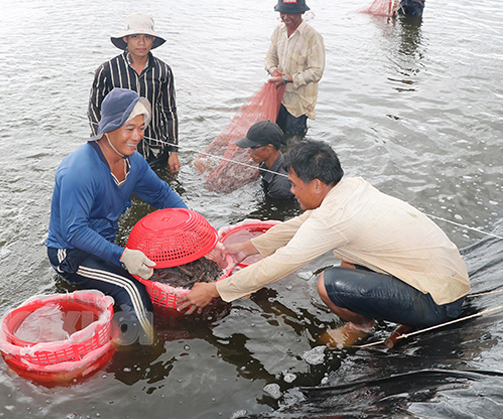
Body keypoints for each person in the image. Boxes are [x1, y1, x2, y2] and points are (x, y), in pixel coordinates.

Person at [178, 140, 470, 347]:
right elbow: (304, 223)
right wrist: (250, 247)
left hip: (440, 303)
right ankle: (393, 314)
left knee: (328, 282)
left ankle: (362, 326)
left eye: (295, 185)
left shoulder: (334, 218)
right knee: (348, 261)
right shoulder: (351, 189)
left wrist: (215, 290)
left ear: (317, 184)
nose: (291, 191)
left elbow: (282, 264)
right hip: (450, 281)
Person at [48, 88, 187, 343]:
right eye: (129, 128)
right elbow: (74, 231)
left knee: (158, 270)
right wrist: (123, 255)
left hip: (106, 242)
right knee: (130, 288)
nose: (137, 137)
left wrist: (194, 227)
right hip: (70, 252)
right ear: (109, 127)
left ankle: (124, 334)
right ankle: (143, 351)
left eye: (142, 128)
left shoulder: (133, 162)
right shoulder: (79, 171)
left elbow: (163, 195)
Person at [88, 13, 180, 172]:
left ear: (153, 40)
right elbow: (94, 110)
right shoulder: (107, 70)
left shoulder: (163, 71)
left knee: (159, 191)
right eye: (135, 36)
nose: (141, 42)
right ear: (126, 39)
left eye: (147, 37)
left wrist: (173, 151)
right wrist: (104, 143)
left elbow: (169, 111)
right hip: (118, 150)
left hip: (156, 151)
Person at [265, 0, 325, 138]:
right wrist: (273, 70)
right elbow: (270, 57)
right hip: (278, 98)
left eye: (291, 12)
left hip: (299, 103)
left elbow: (316, 71)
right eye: (282, 12)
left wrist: (286, 79)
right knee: (275, 139)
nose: (285, 17)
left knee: (294, 143)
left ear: (302, 12)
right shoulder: (279, 31)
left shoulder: (312, 37)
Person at [234, 120, 293, 200]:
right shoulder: (265, 164)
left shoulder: (280, 185)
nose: (249, 152)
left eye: (253, 147)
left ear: (269, 148)